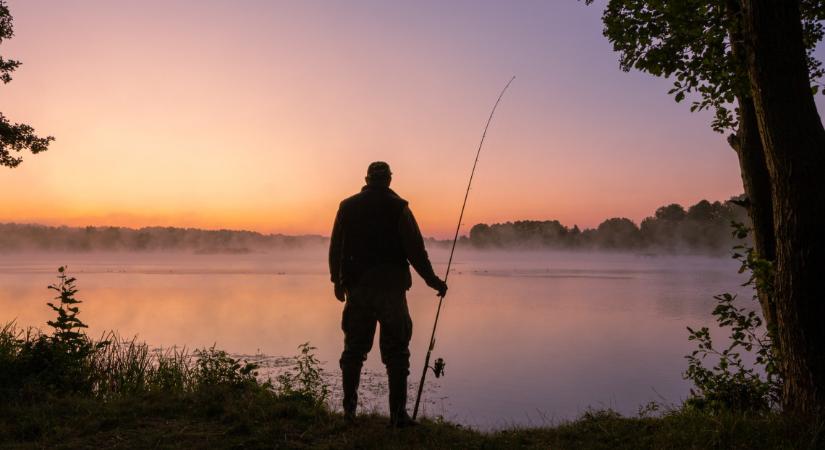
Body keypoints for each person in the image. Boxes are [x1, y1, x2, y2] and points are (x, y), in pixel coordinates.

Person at [329, 161, 448, 427]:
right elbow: (416, 251)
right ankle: (397, 417)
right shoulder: (400, 208)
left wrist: (336, 281)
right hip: (391, 291)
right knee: (396, 353)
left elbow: (336, 247)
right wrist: (434, 282)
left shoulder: (346, 207)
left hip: (357, 289)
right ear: (390, 180)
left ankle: (349, 415)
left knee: (353, 351)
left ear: (367, 179)